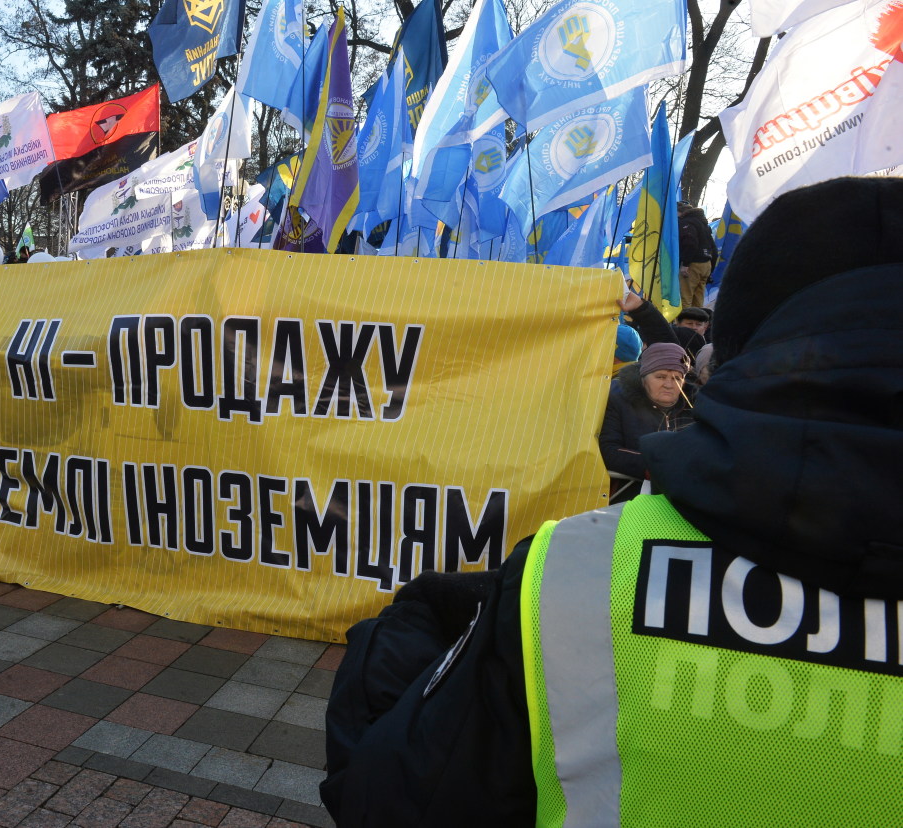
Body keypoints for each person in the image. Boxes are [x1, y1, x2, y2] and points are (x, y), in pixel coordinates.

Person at [321, 176, 903, 826]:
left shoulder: (571, 571)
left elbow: (388, 800)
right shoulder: (572, 559)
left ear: (726, 354)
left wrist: (399, 636)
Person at [599, 341, 693, 499]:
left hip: (684, 497)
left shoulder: (695, 407)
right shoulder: (618, 401)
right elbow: (609, 450)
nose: (669, 384)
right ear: (643, 378)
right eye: (660, 377)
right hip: (628, 496)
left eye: (677, 378)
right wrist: (660, 467)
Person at [677, 201, 717, 308]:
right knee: (698, 300)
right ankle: (698, 323)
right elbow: (714, 248)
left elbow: (690, 243)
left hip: (692, 265)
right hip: (706, 264)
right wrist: (711, 269)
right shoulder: (703, 224)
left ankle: (684, 324)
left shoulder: (686, 222)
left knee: (685, 298)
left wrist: (685, 264)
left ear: (679, 212)